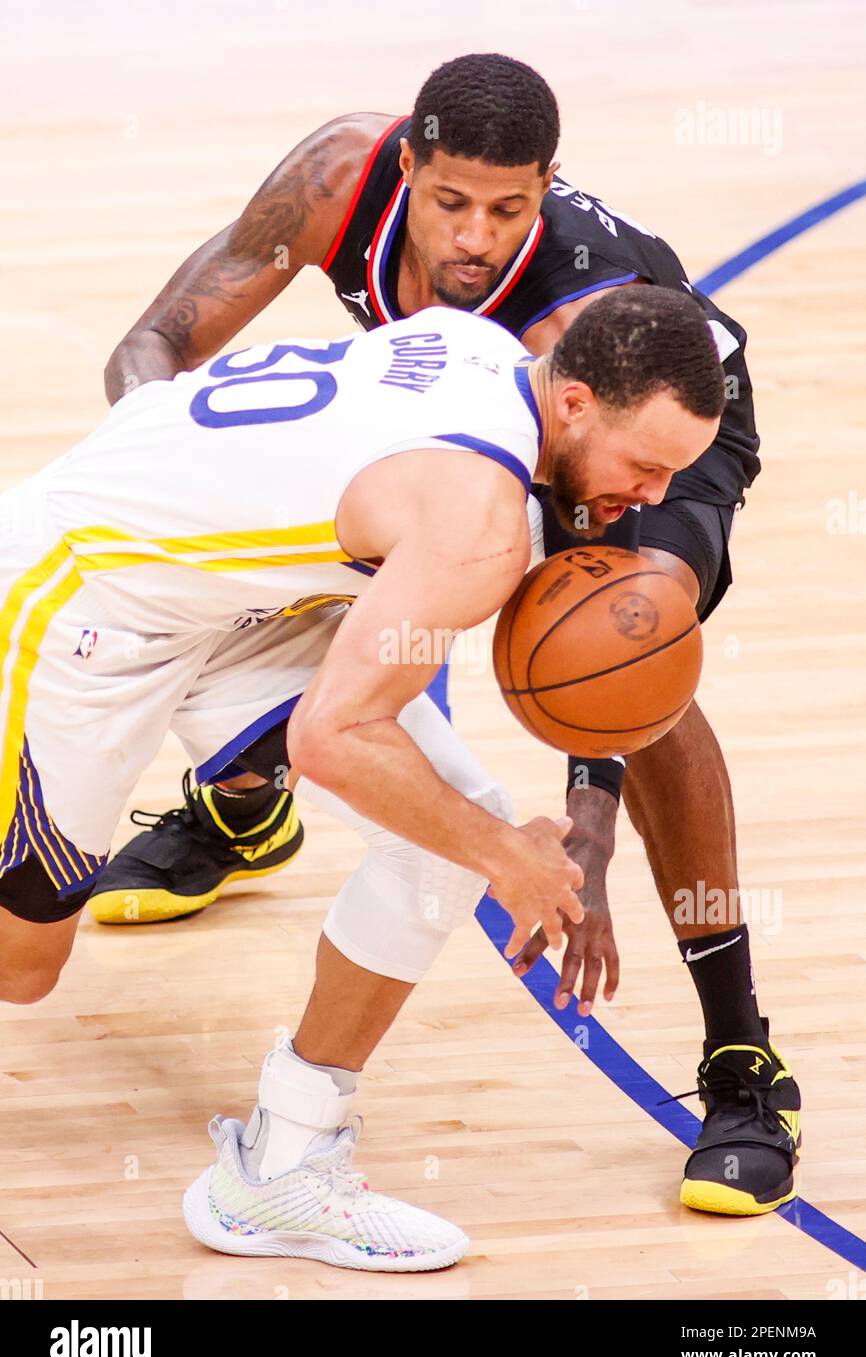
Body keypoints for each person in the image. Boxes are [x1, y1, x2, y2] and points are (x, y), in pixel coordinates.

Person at [97, 52, 799, 1218]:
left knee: (634, 667)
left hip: (656, 413)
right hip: (448, 414)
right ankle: (245, 792)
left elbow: (608, 602)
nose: (474, 239)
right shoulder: (336, 177)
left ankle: (739, 1057)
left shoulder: (576, 321)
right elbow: (153, 348)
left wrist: (584, 817)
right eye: (450, 202)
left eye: (510, 209)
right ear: (408, 166)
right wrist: (165, 470)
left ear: (549, 188)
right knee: (307, 528)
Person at [0, 289, 725, 1268]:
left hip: (237, 602)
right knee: (23, 966)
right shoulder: (478, 518)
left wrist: (488, 841)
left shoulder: (476, 348)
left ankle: (276, 1171)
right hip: (82, 593)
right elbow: (330, 739)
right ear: (574, 403)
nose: (650, 496)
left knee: (444, 841)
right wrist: (508, 859)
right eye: (644, 465)